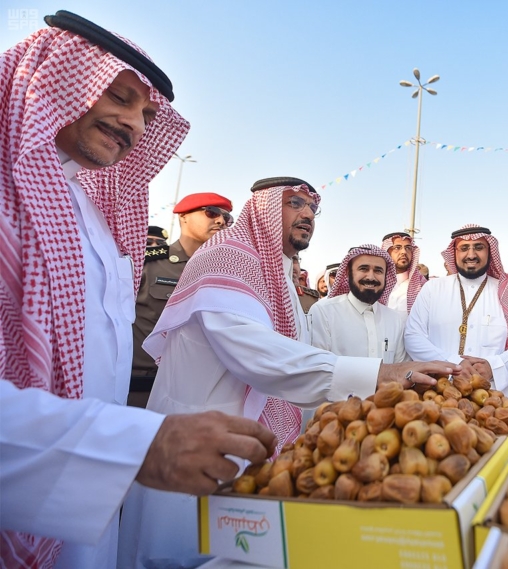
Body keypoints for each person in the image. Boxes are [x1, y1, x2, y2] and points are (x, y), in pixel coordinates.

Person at [0, 11, 275, 569]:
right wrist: (131, 447)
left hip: (87, 498)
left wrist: (123, 450)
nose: (135, 125)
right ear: (55, 79)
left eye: (147, 114)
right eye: (120, 97)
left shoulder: (93, 214)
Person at [118, 178, 457, 569]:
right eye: (294, 203)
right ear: (260, 208)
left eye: (313, 208)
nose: (307, 215)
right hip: (199, 440)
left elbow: (298, 356)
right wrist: (381, 373)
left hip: (249, 447)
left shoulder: (275, 271)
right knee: (180, 555)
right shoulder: (227, 256)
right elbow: (259, 355)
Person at [405, 224, 508, 400]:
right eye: (464, 248)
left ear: (490, 252)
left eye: (479, 247)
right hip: (440, 393)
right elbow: (413, 336)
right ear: (454, 253)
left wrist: (494, 366)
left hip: (494, 395)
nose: (471, 255)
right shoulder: (433, 289)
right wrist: (452, 363)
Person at [130, 192, 234, 407]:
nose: (220, 221)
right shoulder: (147, 263)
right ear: (183, 216)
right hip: (141, 391)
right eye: (211, 212)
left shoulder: (226, 272)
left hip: (200, 393)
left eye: (227, 218)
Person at [309, 245, 408, 362]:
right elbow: (318, 367)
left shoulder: (394, 319)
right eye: (363, 269)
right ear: (348, 273)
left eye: (378, 271)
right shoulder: (324, 312)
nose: (371, 277)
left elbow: (399, 369)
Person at [381, 231, 427, 313]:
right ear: (386, 252)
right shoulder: (377, 283)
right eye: (397, 248)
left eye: (408, 248)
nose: (404, 252)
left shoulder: (422, 285)